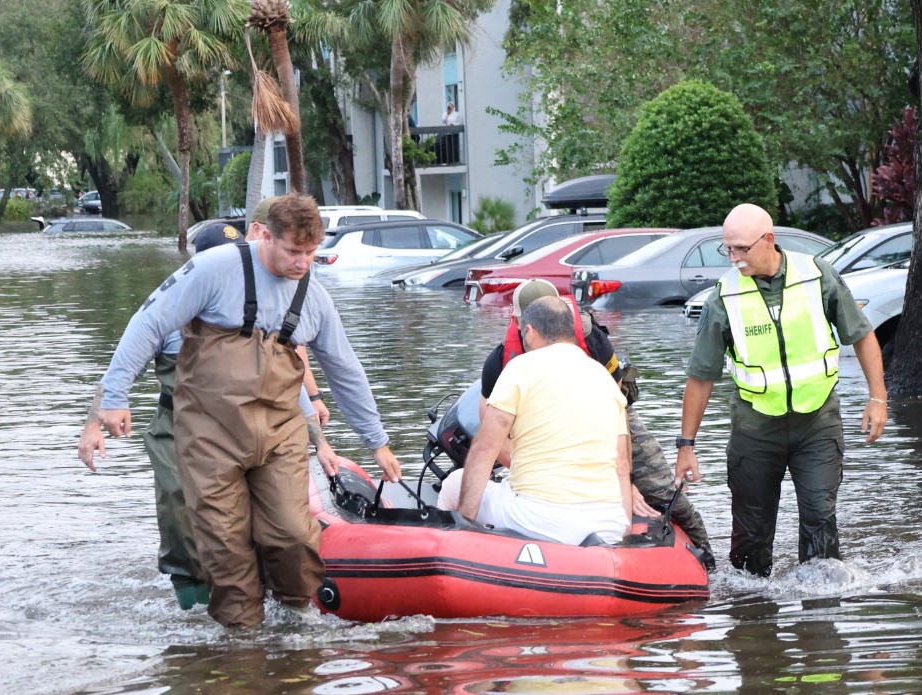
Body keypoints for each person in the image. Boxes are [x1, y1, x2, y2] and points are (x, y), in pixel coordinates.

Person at [94, 193, 402, 628]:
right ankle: (243, 646)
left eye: (311, 253)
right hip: (210, 435)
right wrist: (114, 397)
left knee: (295, 536)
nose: (303, 263)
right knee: (227, 547)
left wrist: (378, 442)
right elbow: (148, 322)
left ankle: (296, 622)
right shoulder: (215, 269)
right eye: (294, 251)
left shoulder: (313, 297)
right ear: (265, 236)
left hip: (279, 435)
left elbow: (344, 369)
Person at [675, 203, 887, 577]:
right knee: (750, 542)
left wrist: (877, 398)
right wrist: (686, 446)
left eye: (741, 248)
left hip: (817, 424)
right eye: (728, 249)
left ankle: (820, 622)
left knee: (821, 522)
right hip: (755, 431)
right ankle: (753, 624)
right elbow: (700, 376)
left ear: (769, 240)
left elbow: (862, 335)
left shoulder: (817, 275)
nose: (734, 258)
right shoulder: (723, 297)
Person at [480, 279, 715, 567]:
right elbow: (491, 434)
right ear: (518, 322)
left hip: (609, 415)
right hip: (540, 424)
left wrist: (624, 485)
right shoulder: (501, 362)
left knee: (663, 492)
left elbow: (614, 402)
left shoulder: (591, 340)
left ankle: (707, 563)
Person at [439, 296, 631, 544]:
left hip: (538, 519)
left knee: (455, 482)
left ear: (529, 332)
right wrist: (621, 535)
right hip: (607, 523)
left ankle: (457, 551)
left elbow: (485, 449)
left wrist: (465, 521)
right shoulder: (604, 378)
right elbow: (622, 464)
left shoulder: (520, 368)